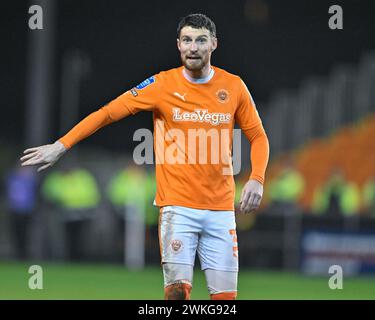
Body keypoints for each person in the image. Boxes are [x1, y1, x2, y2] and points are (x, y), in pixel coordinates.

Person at [20, 13, 269, 300]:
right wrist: (62, 145)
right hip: (178, 208)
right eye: (187, 40)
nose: (193, 47)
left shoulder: (234, 86)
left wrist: (257, 178)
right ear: (178, 45)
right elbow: (108, 112)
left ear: (214, 44)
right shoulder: (162, 85)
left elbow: (258, 136)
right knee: (177, 294)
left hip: (221, 210)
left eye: (201, 40)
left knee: (225, 299)